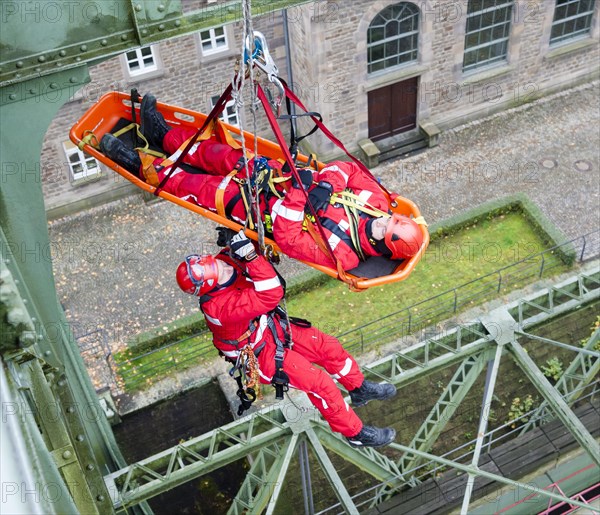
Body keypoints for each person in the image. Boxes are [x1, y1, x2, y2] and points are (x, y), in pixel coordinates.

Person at [100, 94, 423, 270]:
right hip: (281, 179)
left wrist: (300, 195)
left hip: (259, 207)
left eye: (385, 227)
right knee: (219, 154)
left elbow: (288, 236)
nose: (382, 220)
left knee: (191, 185)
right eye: (390, 218)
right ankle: (165, 135)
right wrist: (327, 186)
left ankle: (137, 162)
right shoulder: (377, 204)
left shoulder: (343, 255)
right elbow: (347, 169)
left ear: (383, 245)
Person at [175, 229, 397, 447]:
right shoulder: (220, 309)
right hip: (259, 353)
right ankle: (355, 434)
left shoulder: (220, 270)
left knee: (329, 347)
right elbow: (271, 292)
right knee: (320, 384)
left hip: (268, 327)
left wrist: (236, 239)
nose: (224, 264)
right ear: (211, 285)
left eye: (218, 262)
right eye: (220, 268)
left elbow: (236, 259)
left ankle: (359, 388)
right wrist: (249, 255)